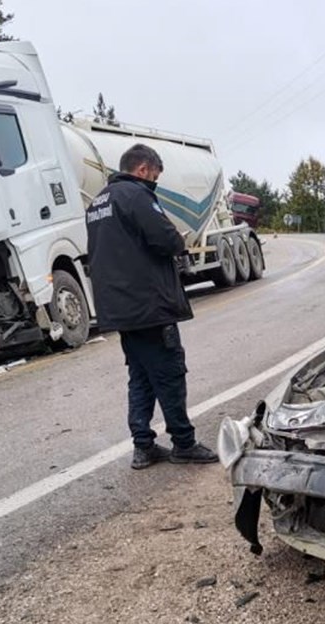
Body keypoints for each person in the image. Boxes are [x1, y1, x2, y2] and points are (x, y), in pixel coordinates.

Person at [85, 143, 217, 470]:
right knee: (170, 373)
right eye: (155, 175)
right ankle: (183, 443)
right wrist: (179, 240)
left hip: (121, 309)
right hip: (149, 305)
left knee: (141, 376)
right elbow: (167, 239)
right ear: (143, 169)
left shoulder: (98, 203)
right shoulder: (136, 196)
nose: (155, 181)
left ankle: (143, 447)